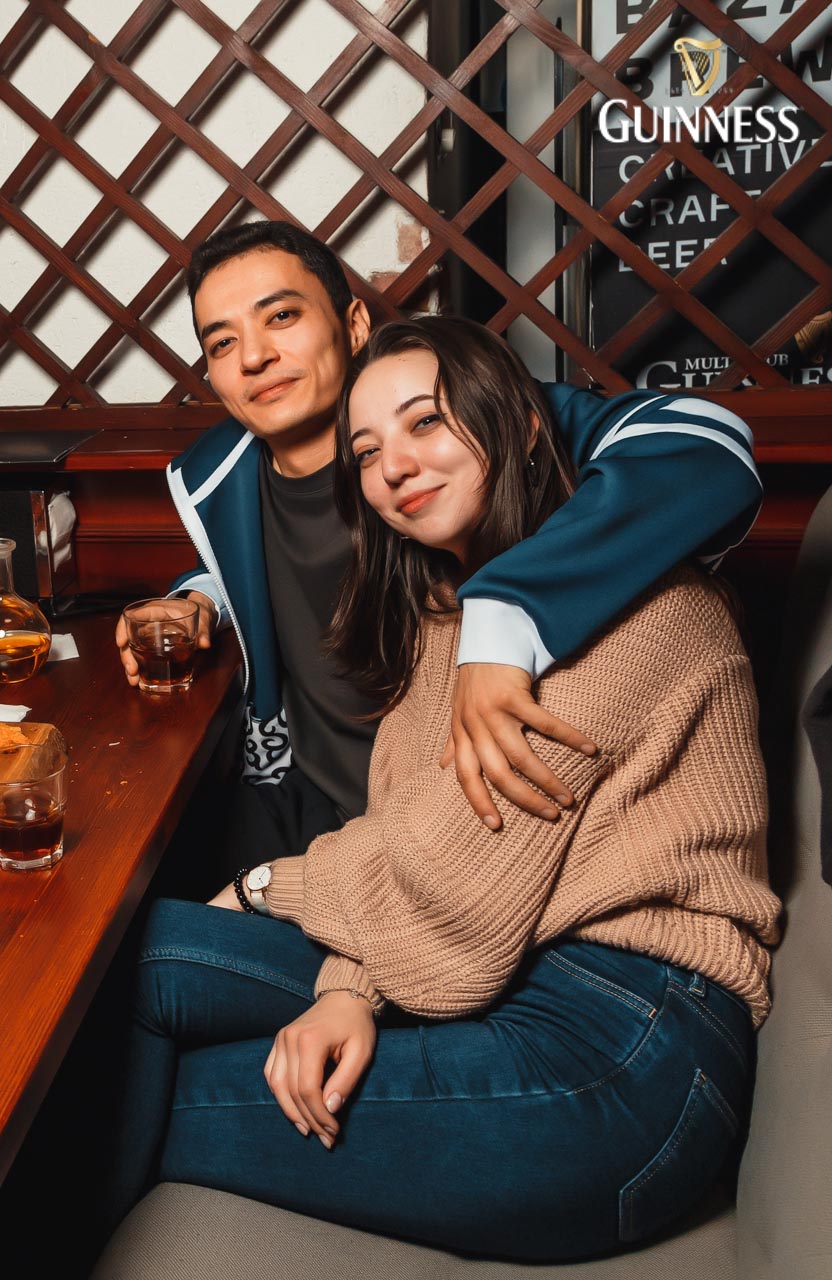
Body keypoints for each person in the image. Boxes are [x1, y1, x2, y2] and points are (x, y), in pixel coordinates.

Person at [102, 317, 781, 1259]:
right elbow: (408, 828)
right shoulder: (446, 614)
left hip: (628, 1054)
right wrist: (350, 989)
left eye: (425, 422)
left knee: (125, 1102)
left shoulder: (626, 608)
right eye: (367, 451)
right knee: (143, 957)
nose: (394, 467)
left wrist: (266, 888)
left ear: (524, 426)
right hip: (513, 967)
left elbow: (457, 898)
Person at [122, 221, 762, 861]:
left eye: (282, 316)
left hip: (449, 819)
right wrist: (202, 599)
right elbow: (261, 569)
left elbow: (706, 445)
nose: (253, 356)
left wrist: (508, 612)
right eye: (223, 342)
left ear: (353, 325)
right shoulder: (218, 474)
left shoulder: (461, 425)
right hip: (304, 799)